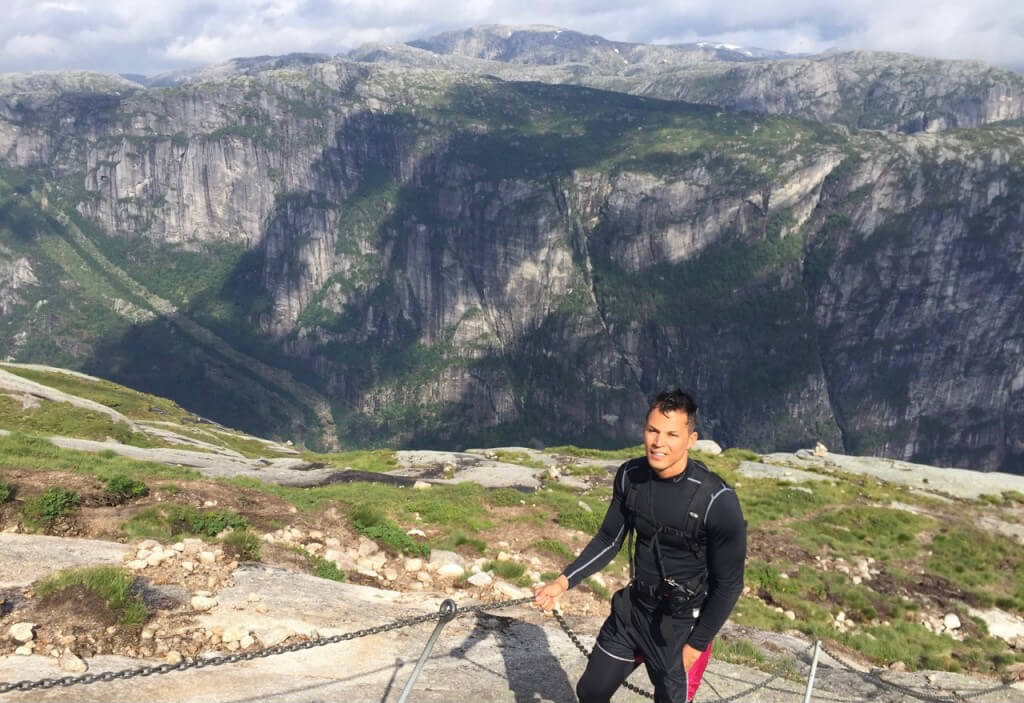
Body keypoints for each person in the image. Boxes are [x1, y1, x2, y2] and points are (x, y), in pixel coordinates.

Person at [534, 389, 746, 703]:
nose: (659, 442)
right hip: (634, 611)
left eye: (672, 434)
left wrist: (696, 646)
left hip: (681, 625)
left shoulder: (717, 501)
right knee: (590, 692)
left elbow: (729, 584)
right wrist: (563, 582)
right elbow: (609, 539)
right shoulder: (630, 476)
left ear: (691, 439)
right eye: (653, 430)